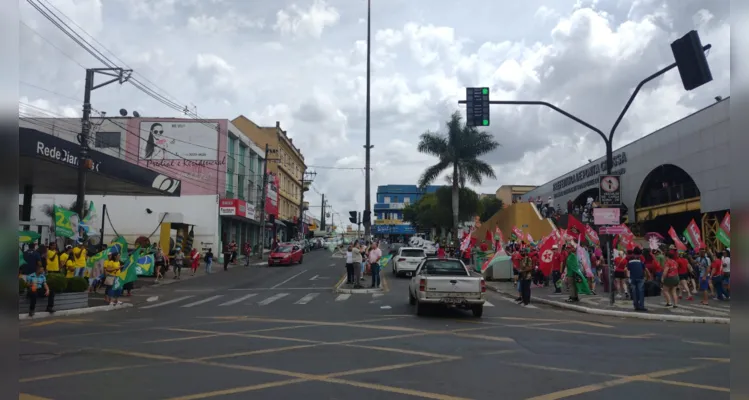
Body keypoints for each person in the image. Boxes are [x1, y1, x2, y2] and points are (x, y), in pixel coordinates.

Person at [627, 247, 649, 312]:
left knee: (634, 292)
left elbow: (627, 269)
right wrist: (648, 276)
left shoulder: (630, 261)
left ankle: (636, 305)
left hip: (632, 278)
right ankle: (641, 306)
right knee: (641, 292)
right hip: (640, 277)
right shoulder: (640, 261)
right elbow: (645, 269)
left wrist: (628, 277)